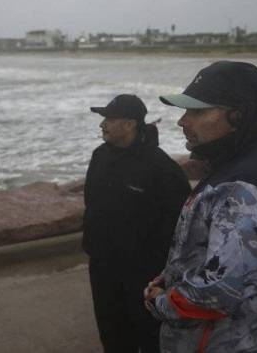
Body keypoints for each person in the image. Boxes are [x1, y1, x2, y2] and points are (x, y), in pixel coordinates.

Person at [144, 61, 257, 353]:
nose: (183, 121)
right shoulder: (249, 164)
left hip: (237, 340)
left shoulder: (244, 189)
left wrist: (161, 302)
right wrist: (172, 277)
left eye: (197, 111)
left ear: (237, 116)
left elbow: (218, 291)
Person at [83, 94, 191, 353]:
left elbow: (180, 222)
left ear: (129, 124)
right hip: (103, 266)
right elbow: (91, 203)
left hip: (143, 272)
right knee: (112, 332)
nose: (103, 124)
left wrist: (158, 269)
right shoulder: (100, 156)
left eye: (109, 119)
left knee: (149, 334)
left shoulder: (160, 167)